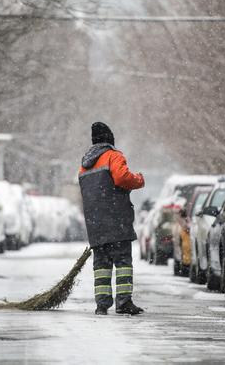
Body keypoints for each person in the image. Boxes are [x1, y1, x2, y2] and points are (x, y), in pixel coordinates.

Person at [78, 122, 145, 315]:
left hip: (95, 223)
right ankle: (123, 303)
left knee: (102, 265)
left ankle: (102, 304)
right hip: (116, 220)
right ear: (109, 139)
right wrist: (139, 179)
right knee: (123, 262)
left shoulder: (84, 165)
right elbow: (122, 178)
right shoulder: (113, 156)